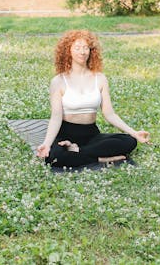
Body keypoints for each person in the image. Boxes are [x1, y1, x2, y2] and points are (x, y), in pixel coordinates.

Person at [36, 30, 149, 168]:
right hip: (66, 135)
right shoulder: (58, 81)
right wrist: (47, 144)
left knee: (129, 141)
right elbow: (55, 117)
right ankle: (101, 158)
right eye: (77, 48)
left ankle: (81, 152)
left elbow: (109, 114)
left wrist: (134, 132)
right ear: (68, 51)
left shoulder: (100, 78)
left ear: (91, 51)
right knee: (55, 157)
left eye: (85, 48)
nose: (82, 52)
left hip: (91, 135)